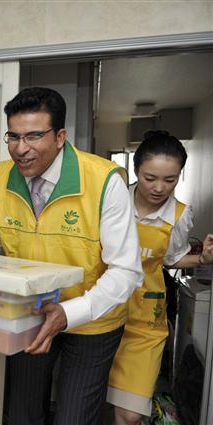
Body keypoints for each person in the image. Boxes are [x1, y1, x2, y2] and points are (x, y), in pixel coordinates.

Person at [0, 87, 144, 425]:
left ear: (60, 136)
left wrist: (70, 312)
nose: (21, 148)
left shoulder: (105, 181)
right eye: (13, 136)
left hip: (93, 318)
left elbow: (126, 271)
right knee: (22, 414)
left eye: (34, 136)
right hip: (30, 314)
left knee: (73, 418)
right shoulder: (1, 177)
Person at [107, 130, 213, 425]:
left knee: (129, 414)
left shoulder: (179, 215)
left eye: (170, 179)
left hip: (143, 323)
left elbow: (171, 259)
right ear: (135, 170)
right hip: (99, 316)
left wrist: (202, 259)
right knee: (86, 399)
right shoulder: (112, 203)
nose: (158, 188)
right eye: (149, 177)